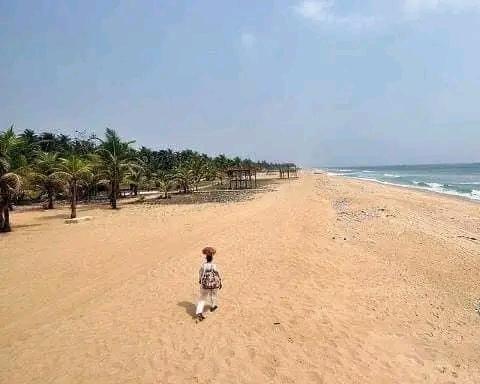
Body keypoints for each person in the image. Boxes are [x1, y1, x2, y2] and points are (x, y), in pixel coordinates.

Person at [196, 246, 222, 321]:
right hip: (213, 284)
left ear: (206, 258)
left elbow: (200, 273)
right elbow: (217, 273)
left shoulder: (203, 266)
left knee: (202, 298)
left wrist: (200, 280)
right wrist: (220, 282)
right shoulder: (214, 265)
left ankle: (199, 312)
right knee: (213, 294)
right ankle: (213, 306)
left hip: (205, 285)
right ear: (212, 258)